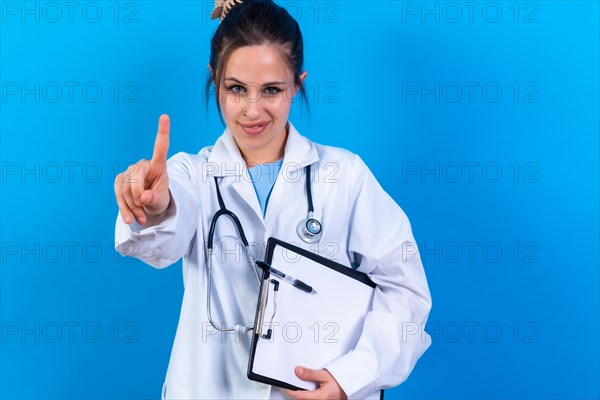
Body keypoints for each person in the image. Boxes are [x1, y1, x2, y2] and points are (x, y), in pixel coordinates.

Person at [114, 0, 432, 398]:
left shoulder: (345, 176)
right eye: (235, 89)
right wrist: (155, 209)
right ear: (215, 80)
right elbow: (160, 241)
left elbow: (405, 292)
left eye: (271, 90)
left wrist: (351, 377)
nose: (252, 110)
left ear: (297, 84)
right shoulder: (191, 175)